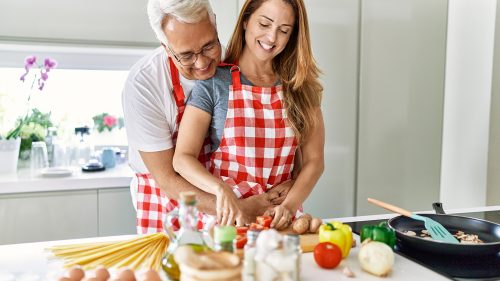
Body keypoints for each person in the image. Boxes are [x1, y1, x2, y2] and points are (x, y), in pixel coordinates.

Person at [122, 0, 293, 234]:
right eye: (187, 55)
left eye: (208, 46)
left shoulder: (236, 64)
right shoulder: (145, 84)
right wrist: (236, 207)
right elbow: (168, 178)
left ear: (214, 23)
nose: (202, 63)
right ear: (165, 47)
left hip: (231, 201)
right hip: (168, 200)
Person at [173, 0, 324, 228]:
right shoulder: (214, 84)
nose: (272, 38)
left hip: (279, 222)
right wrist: (220, 189)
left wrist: (288, 207)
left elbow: (315, 161)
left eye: (283, 30)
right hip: (227, 222)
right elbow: (182, 158)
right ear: (245, 21)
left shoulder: (301, 88)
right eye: (264, 24)